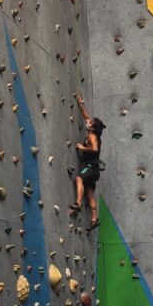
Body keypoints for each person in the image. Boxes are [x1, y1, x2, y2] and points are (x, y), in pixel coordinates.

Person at [68, 94, 105, 231]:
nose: (88, 122)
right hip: (94, 171)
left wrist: (82, 147)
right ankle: (94, 219)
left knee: (79, 179)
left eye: (91, 123)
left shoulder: (92, 136)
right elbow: (86, 117)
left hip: (90, 166)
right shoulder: (93, 131)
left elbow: (94, 149)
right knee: (89, 194)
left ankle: (77, 203)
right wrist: (80, 104)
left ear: (93, 128)